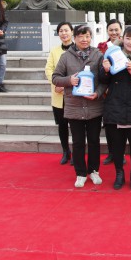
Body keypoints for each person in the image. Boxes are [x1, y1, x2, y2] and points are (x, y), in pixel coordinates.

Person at [52, 25, 107, 188]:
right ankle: (80, 173)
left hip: (94, 105)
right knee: (77, 142)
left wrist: (97, 93)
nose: (84, 39)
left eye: (87, 36)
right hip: (74, 106)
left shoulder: (98, 55)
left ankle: (94, 170)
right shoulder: (66, 57)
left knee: (94, 141)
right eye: (81, 36)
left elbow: (104, 80)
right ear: (74, 38)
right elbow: (55, 77)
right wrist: (69, 80)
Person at [99, 26, 131, 190]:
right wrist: (105, 70)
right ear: (123, 38)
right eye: (128, 38)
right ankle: (119, 173)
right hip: (114, 104)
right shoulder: (112, 54)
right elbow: (102, 79)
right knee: (117, 145)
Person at [44, 22, 74, 165]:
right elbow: (49, 69)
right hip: (58, 94)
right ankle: (65, 151)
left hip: (74, 94)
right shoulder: (54, 51)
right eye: (61, 31)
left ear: (72, 32)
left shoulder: (78, 49)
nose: (64, 33)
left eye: (66, 30)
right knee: (62, 126)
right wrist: (58, 83)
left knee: (76, 127)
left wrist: (66, 84)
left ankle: (77, 152)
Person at [98, 18, 123, 166]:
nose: (114, 32)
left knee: (122, 124)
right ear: (107, 31)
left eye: (116, 29)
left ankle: (121, 153)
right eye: (111, 30)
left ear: (121, 30)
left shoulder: (126, 45)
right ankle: (111, 152)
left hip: (123, 89)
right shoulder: (102, 47)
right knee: (109, 124)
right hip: (107, 89)